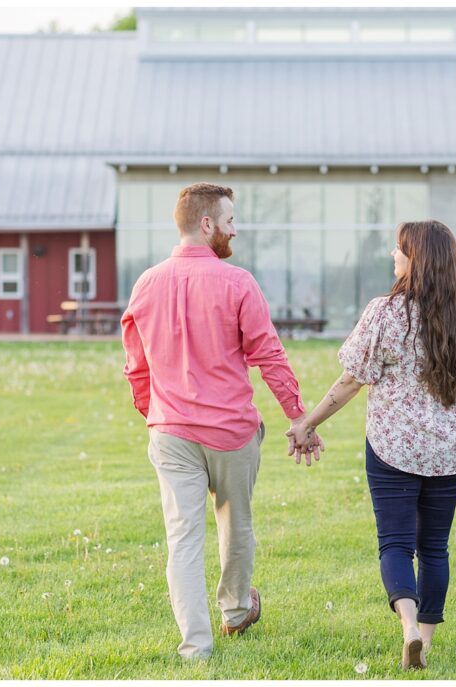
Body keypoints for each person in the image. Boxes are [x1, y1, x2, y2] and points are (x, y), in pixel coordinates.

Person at [287, 219, 456, 670]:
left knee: (395, 543)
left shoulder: (385, 312)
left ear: (417, 259)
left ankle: (407, 625)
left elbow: (351, 381)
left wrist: (308, 422)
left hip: (392, 448)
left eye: (399, 249)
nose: (393, 255)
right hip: (449, 453)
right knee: (435, 548)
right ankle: (424, 642)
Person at [121, 182, 324, 660]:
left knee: (183, 539)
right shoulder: (238, 283)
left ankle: (196, 646)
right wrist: (299, 417)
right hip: (231, 433)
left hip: (170, 431)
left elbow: (135, 366)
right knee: (237, 525)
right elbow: (268, 355)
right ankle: (235, 610)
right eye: (230, 221)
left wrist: (156, 411)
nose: (235, 229)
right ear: (207, 224)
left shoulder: (146, 283)